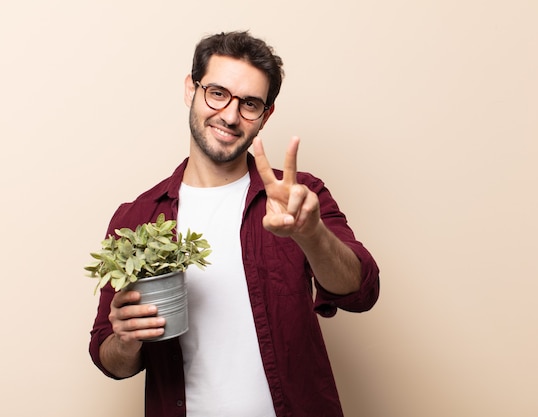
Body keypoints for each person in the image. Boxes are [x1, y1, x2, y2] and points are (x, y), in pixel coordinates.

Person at [89, 30, 380, 417]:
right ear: (191, 89)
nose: (229, 115)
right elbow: (109, 358)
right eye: (218, 93)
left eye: (250, 104)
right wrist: (125, 340)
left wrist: (311, 234)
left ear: (265, 116)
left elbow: (361, 291)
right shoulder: (138, 218)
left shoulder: (298, 195)